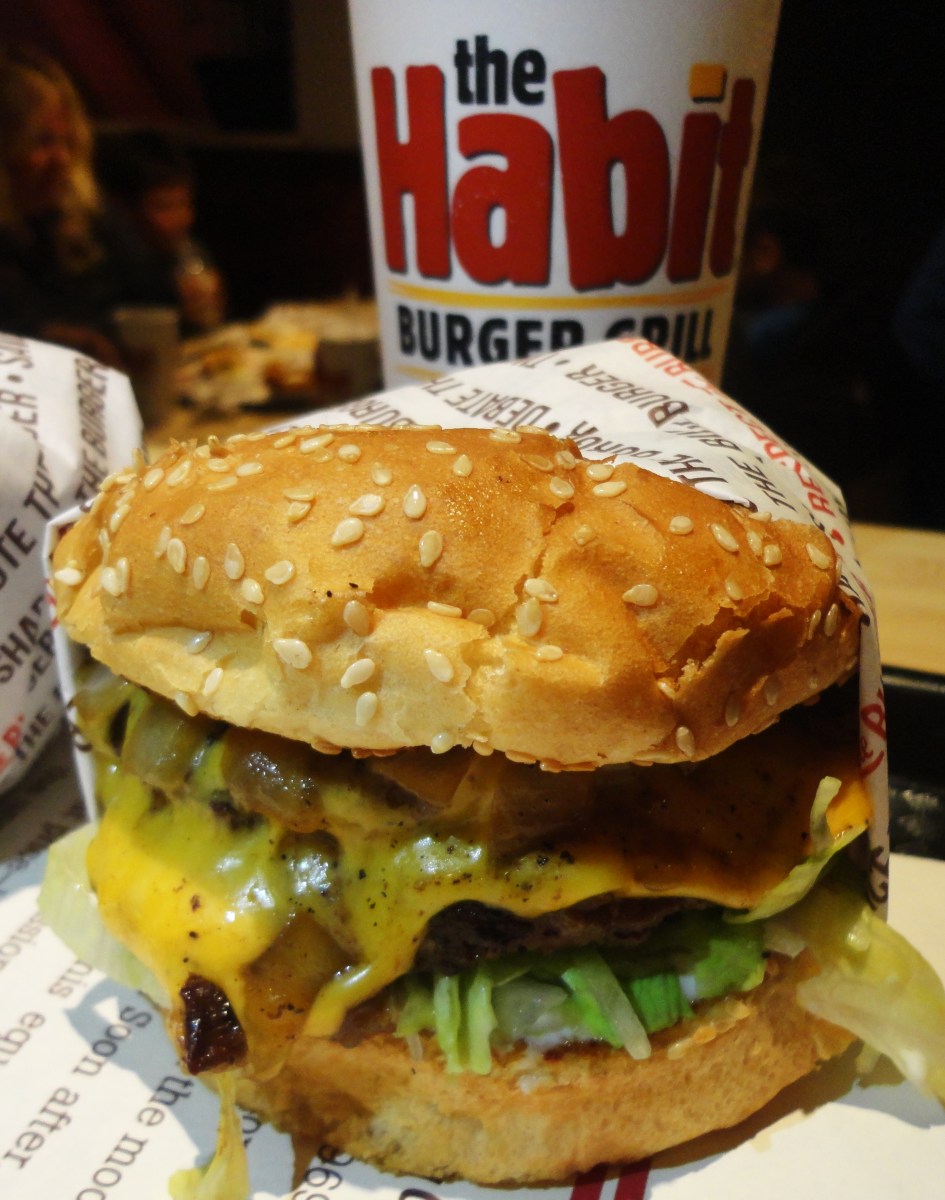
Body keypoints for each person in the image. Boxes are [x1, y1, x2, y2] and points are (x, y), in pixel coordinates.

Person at [0, 42, 167, 365]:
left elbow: (151, 295)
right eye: (42, 141)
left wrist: (175, 263)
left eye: (68, 140)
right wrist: (50, 339)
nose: (62, 158)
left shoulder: (84, 213)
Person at [97, 129, 225, 334]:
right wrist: (176, 305)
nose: (183, 219)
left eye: (185, 204)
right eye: (164, 207)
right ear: (122, 208)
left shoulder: (189, 255)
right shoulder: (101, 265)